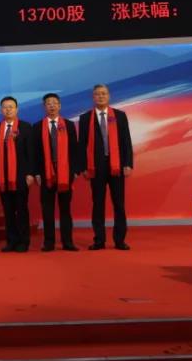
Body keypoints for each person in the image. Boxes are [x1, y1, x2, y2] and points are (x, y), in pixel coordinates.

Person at [78, 84, 134, 250]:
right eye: (97, 94)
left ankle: (119, 240)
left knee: (119, 204)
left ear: (109, 96)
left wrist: (128, 163)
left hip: (117, 165)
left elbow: (126, 141)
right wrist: (83, 167)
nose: (101, 96)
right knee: (98, 204)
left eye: (103, 94)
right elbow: (82, 145)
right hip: (95, 167)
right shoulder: (85, 118)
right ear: (93, 97)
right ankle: (99, 240)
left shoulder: (119, 115)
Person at [0, 96, 35, 253]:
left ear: (17, 109)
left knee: (21, 209)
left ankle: (23, 241)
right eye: (5, 107)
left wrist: (30, 173)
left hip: (21, 176)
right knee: (8, 211)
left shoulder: (25, 127)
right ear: (1, 110)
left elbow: (31, 152)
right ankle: (11, 241)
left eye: (11, 107)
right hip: (2, 176)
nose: (8, 110)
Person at [33, 93, 80, 252]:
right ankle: (49, 242)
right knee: (47, 210)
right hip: (45, 174)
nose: (52, 106)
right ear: (44, 107)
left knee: (65, 209)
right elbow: (35, 152)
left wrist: (74, 171)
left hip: (65, 173)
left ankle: (68, 241)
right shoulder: (37, 126)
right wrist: (37, 173)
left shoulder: (68, 125)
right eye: (48, 103)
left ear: (59, 106)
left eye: (54, 103)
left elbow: (74, 149)